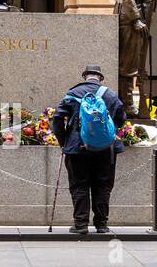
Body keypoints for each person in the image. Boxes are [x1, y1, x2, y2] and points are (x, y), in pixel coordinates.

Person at [52, 64, 128, 235]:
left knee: (79, 185)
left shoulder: (72, 94)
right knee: (103, 185)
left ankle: (80, 224)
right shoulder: (110, 95)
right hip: (105, 149)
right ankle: (101, 224)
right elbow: (121, 119)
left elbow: (57, 118)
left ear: (85, 76)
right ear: (100, 78)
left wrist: (64, 141)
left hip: (77, 148)